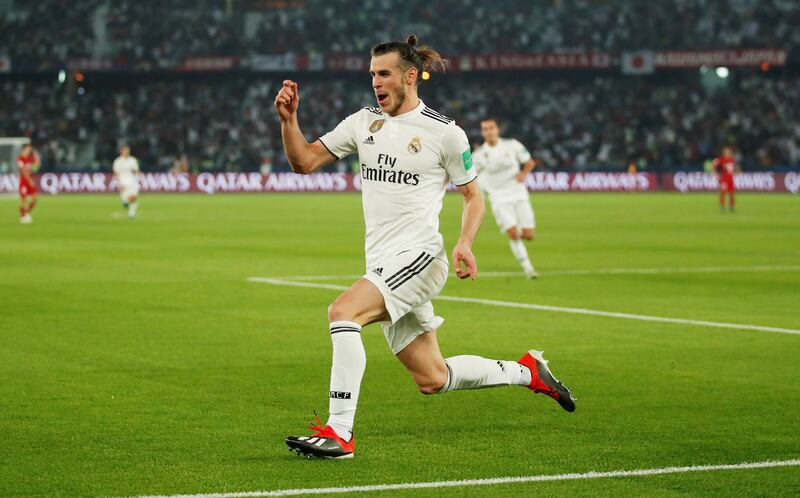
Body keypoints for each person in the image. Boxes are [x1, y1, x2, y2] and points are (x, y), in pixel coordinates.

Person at [274, 35, 575, 460]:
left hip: (420, 258)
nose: (375, 82)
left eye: (384, 73)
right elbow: (303, 161)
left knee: (343, 312)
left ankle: (340, 433)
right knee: (433, 377)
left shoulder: (445, 133)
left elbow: (473, 196)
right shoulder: (363, 123)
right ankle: (527, 371)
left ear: (410, 76)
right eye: (372, 74)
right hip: (383, 262)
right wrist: (289, 120)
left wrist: (465, 242)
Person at [473, 118, 538, 278]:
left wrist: (523, 174)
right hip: (498, 197)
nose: (489, 131)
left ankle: (518, 232)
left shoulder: (512, 145)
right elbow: (472, 175)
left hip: (518, 193)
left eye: (491, 128)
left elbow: (529, 162)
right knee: (513, 234)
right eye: (485, 129)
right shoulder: (479, 154)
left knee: (529, 235)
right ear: (483, 133)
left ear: (497, 130)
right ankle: (528, 269)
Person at [112, 145, 141, 219]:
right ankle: (125, 201)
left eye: (128, 150)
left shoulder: (132, 160)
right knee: (128, 197)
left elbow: (136, 170)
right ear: (121, 151)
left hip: (131, 180)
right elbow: (116, 173)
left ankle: (132, 213)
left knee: (134, 197)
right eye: (125, 150)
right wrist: (119, 183)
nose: (127, 152)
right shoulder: (118, 161)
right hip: (123, 180)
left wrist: (139, 176)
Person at [17, 144, 39, 224]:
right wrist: (29, 180)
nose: (29, 151)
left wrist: (36, 156)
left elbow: (36, 167)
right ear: (24, 149)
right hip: (24, 182)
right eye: (27, 149)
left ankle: (26, 213)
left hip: (30, 181)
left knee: (34, 198)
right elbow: (22, 171)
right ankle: (22, 216)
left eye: (30, 149)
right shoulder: (20, 159)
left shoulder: (30, 159)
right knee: (23, 199)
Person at [713, 146, 738, 212]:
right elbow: (714, 164)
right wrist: (716, 174)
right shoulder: (721, 159)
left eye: (728, 152)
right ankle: (722, 206)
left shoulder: (732, 159)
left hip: (731, 179)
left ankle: (732, 207)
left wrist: (736, 171)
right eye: (726, 152)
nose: (727, 153)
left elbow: (736, 167)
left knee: (732, 194)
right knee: (723, 193)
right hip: (724, 179)